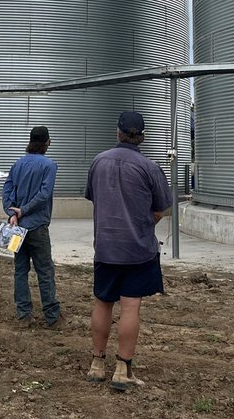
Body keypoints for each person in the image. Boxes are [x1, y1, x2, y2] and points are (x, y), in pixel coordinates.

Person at [84, 110, 172, 391]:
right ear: (142, 137)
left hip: (106, 248)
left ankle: (97, 364)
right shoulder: (150, 167)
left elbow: (94, 198)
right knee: (131, 305)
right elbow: (161, 209)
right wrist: (142, 223)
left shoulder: (98, 162)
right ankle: (123, 369)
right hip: (138, 249)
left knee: (102, 302)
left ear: (117, 132)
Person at [2, 126, 61, 329]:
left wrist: (12, 213)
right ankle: (52, 315)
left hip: (18, 228)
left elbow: (7, 188)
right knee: (44, 270)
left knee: (20, 269)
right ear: (47, 142)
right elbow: (44, 195)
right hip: (37, 226)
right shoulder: (49, 165)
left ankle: (23, 314)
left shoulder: (18, 163)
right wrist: (24, 211)